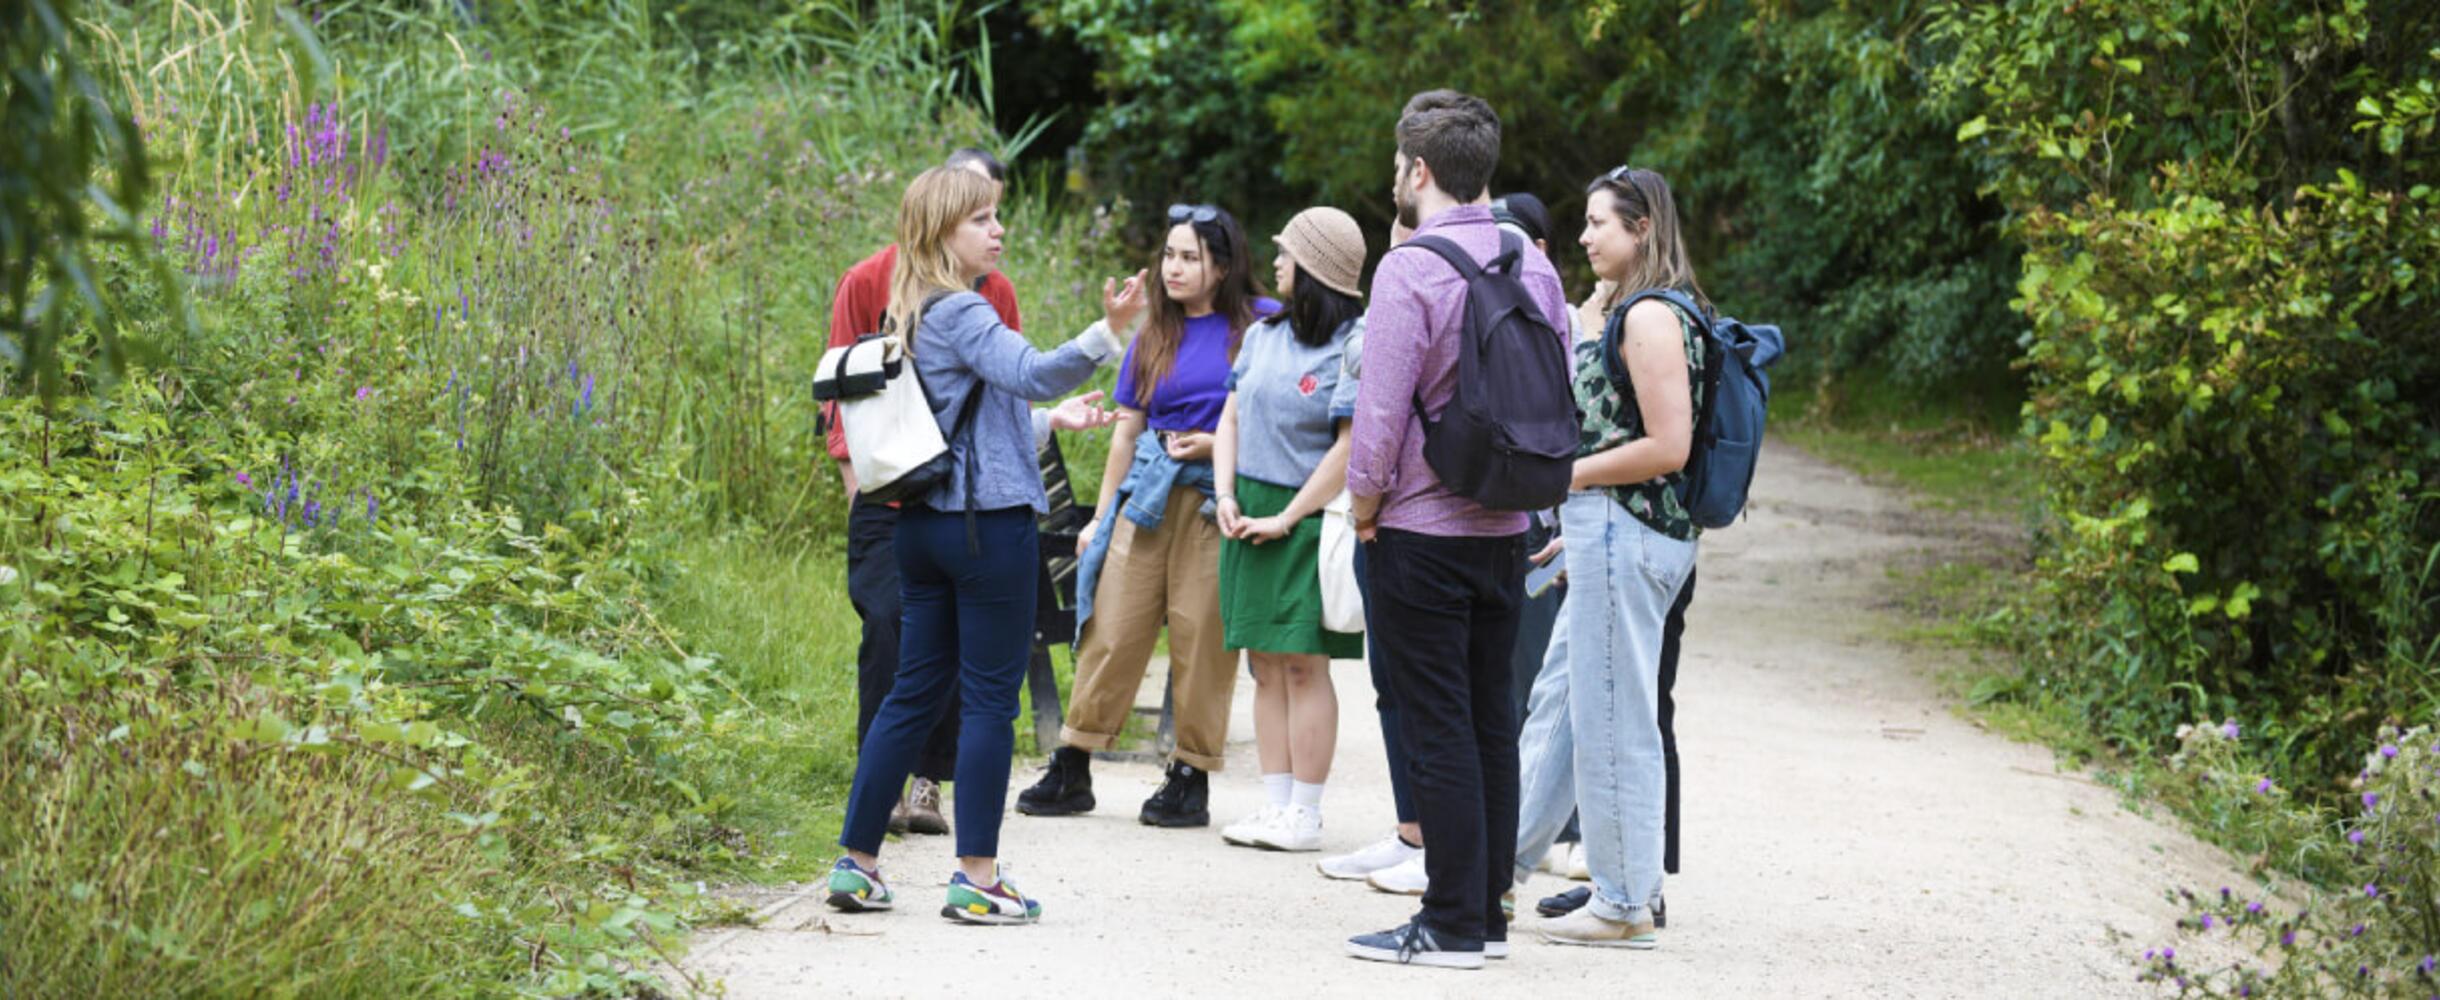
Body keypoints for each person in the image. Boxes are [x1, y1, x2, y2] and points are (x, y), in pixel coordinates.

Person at [825, 165, 1148, 925]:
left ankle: (856, 864)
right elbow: (1033, 373)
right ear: (943, 231)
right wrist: (1109, 332)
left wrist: (1051, 424)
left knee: (910, 694)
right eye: (982, 219)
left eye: (996, 216)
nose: (997, 230)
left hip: (922, 526)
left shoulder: (905, 312)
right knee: (989, 704)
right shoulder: (963, 311)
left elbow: (963, 422)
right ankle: (977, 877)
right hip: (984, 529)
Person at [1341, 89, 1573, 971]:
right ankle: (1489, 915)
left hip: (1422, 531)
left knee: (1436, 724)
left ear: (1420, 170)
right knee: (1489, 724)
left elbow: (1380, 418)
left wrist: (1365, 511)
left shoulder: (1409, 270)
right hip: (1506, 523)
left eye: (1399, 165)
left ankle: (1445, 925)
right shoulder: (1533, 261)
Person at [1018, 204, 1276, 828]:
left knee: (1201, 635)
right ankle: (1073, 762)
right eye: (1169, 255)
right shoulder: (1153, 333)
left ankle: (1189, 775)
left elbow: (1280, 419)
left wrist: (1219, 446)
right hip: (1150, 494)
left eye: (1190, 256)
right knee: (1113, 623)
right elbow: (1125, 436)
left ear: (1223, 264)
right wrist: (1099, 519)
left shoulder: (1263, 326)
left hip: (1218, 501)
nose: (1175, 268)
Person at [1508, 165, 1707, 949]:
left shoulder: (1653, 317)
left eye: (1599, 223)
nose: (1584, 237)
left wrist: (1572, 479)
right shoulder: (1626, 308)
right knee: (1561, 705)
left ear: (1644, 228)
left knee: (1615, 716)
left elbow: (1668, 446)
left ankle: (1625, 900)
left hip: (1627, 531)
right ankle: (1498, 867)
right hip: (1603, 529)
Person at [1211, 206, 1368, 852]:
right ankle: (1274, 805)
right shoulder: (1262, 335)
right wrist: (1223, 493)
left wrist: (1288, 515)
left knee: (1304, 664)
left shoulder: (1351, 345)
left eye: (1287, 254)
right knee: (1263, 663)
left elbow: (1347, 448)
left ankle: (1305, 811)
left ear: (1316, 269)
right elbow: (1230, 419)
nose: (1275, 263)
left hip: (1304, 517)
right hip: (1246, 512)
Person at [1313, 218, 1429, 888]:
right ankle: (1410, 832)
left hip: (1409, 519)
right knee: (1389, 686)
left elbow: (1373, 415)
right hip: (1381, 523)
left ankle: (1444, 847)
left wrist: (1361, 508)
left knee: (1430, 692)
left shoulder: (1431, 290)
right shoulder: (1392, 293)